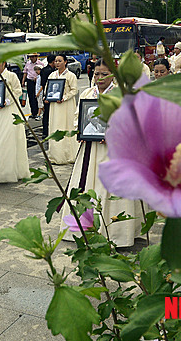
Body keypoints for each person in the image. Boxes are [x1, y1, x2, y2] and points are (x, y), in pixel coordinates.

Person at [61, 59, 147, 247]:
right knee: (87, 185)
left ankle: (116, 232)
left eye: (104, 74)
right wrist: (80, 131)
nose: (100, 78)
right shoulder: (87, 93)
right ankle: (84, 227)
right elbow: (78, 117)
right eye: (96, 74)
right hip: (89, 149)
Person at [0, 62, 30, 183]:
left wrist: (7, 101)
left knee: (9, 139)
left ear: (4, 63)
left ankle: (12, 171)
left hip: (9, 111)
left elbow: (18, 91)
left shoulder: (11, 76)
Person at [47, 54, 78, 164]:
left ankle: (68, 155)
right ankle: (55, 155)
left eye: (60, 61)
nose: (57, 63)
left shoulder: (71, 76)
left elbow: (74, 90)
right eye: (56, 61)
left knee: (66, 126)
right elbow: (48, 88)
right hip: (55, 106)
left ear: (65, 62)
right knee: (55, 126)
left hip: (66, 105)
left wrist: (64, 98)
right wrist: (47, 98)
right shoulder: (52, 75)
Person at [22, 53, 44, 120]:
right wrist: (23, 81)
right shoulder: (28, 63)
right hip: (29, 81)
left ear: (36, 57)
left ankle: (37, 112)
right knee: (30, 97)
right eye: (30, 57)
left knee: (36, 97)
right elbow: (25, 72)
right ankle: (33, 112)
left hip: (37, 82)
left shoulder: (40, 63)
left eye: (32, 57)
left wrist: (37, 77)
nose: (31, 58)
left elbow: (42, 73)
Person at [39, 54, 56, 138]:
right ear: (53, 61)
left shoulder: (43, 70)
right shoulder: (52, 71)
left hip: (45, 94)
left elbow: (42, 84)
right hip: (51, 94)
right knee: (50, 113)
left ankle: (45, 131)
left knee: (45, 114)